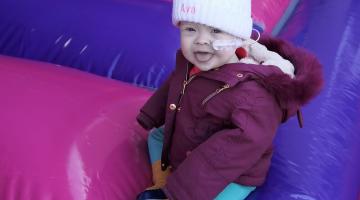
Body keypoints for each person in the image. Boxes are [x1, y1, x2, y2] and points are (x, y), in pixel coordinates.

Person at [136, 0, 323, 199]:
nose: (201, 40)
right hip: (192, 133)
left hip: (231, 171)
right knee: (156, 137)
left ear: (239, 38)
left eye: (216, 31)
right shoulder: (195, 60)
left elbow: (222, 157)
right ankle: (163, 179)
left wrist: (177, 193)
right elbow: (177, 83)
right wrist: (151, 114)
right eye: (191, 29)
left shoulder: (253, 97)